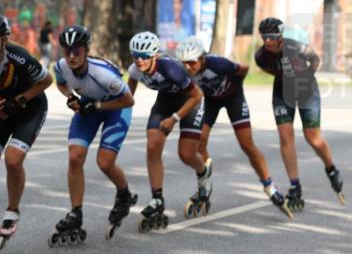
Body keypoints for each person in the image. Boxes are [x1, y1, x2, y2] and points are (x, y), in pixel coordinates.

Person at [175, 35, 292, 219]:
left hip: (233, 98)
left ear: (202, 58)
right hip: (211, 101)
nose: (188, 67)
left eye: (192, 62)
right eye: (184, 63)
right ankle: (205, 180)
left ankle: (269, 186)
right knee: (199, 141)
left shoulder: (218, 64)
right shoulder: (184, 73)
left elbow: (243, 69)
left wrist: (237, 86)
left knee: (247, 145)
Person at [0, 12, 53, 253]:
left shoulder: (19, 57)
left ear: (4, 40)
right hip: (3, 105)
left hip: (31, 105)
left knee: (13, 160)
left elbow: (46, 80)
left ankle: (12, 211)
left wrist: (19, 100)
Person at [51, 25, 137, 245]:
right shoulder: (61, 65)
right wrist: (70, 96)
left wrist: (98, 105)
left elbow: (129, 100)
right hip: (90, 105)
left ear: (86, 50)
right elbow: (60, 83)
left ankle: (124, 194)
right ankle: (75, 212)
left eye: (77, 51)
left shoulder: (104, 75)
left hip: (116, 107)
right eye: (67, 50)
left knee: (105, 163)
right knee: (75, 156)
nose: (71, 56)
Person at [254, 17, 344, 209]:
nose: (267, 41)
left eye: (271, 36)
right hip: (282, 92)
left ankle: (331, 168)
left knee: (313, 138)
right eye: (264, 37)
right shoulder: (261, 56)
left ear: (280, 36)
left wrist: (305, 77)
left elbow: (316, 59)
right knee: (285, 137)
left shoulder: (296, 48)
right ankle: (295, 186)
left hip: (306, 90)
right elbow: (268, 69)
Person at [126, 31, 211, 227]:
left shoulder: (171, 69)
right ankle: (157, 199)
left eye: (145, 56)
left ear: (154, 55)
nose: (140, 60)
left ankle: (203, 172)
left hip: (190, 101)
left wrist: (174, 119)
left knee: (186, 154)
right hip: (165, 101)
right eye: (135, 55)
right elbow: (128, 97)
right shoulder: (134, 70)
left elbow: (197, 96)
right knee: (152, 146)